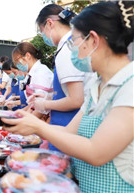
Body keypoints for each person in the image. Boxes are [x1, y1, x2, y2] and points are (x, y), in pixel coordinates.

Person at [2, 1, 134, 192]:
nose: (72, 49)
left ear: (94, 40)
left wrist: (38, 125)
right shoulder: (99, 85)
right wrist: (30, 124)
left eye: (75, 41)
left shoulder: (129, 85)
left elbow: (96, 151)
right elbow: (69, 132)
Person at [30, 4, 97, 152]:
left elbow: (76, 99)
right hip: (66, 126)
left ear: (49, 23)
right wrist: (48, 97)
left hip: (70, 125)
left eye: (42, 31)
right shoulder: (67, 47)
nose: (43, 36)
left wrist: (45, 104)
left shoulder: (68, 49)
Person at [12, 42, 54, 114]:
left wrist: (23, 122)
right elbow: (33, 105)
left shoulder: (41, 72)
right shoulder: (31, 75)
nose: (17, 65)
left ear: (28, 55)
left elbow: (41, 110)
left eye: (17, 61)